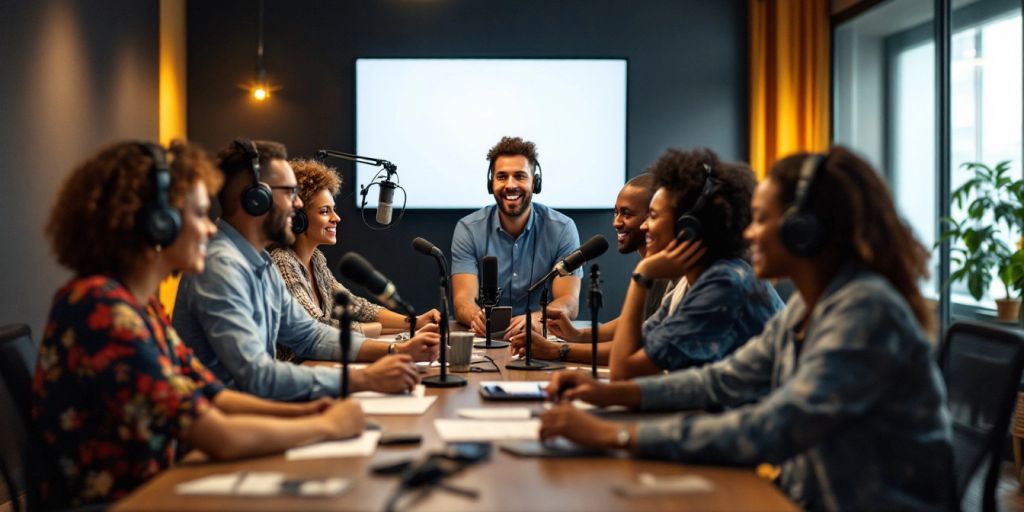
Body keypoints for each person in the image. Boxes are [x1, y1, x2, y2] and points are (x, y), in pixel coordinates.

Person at [540, 146, 954, 510]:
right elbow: (720, 382)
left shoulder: (865, 313)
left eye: (760, 219)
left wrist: (618, 435)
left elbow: (772, 427)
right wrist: (610, 394)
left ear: (802, 230)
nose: (748, 232)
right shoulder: (808, 310)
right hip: (801, 494)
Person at [33, 141, 367, 508]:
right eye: (198, 214)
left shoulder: (141, 310)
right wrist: (327, 426)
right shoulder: (101, 310)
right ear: (158, 224)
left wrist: (309, 411)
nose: (211, 230)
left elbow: (213, 396)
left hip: (158, 489)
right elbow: (218, 435)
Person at [173, 139, 438, 402]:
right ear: (257, 199)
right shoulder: (222, 267)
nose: (298, 204)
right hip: (228, 425)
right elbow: (256, 376)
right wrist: (362, 379)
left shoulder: (258, 262)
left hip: (253, 413)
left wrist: (396, 350)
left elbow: (309, 335)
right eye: (289, 192)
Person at [607, 148, 782, 380]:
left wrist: (642, 274)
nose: (644, 226)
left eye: (653, 216)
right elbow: (637, 347)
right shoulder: (692, 283)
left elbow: (624, 369)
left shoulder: (725, 282)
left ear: (686, 228)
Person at [269, 158, 440, 362]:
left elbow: (356, 306)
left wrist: (415, 322)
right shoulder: (282, 262)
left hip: (322, 364)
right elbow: (318, 327)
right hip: (297, 374)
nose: (336, 218)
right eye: (325, 211)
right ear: (297, 218)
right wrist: (389, 337)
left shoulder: (316, 259)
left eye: (333, 209)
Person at [508, 173, 665, 365]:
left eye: (627, 214)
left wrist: (558, 351)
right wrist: (577, 335)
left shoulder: (667, 272)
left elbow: (638, 346)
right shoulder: (653, 266)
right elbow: (632, 324)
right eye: (616, 213)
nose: (616, 222)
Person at [451, 136, 582, 339]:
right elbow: (463, 300)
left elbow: (569, 302)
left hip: (539, 337)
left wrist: (538, 318)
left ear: (535, 182)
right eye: (502, 177)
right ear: (490, 183)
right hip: (486, 338)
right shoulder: (468, 229)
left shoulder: (563, 229)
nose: (510, 185)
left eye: (520, 176)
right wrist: (476, 317)